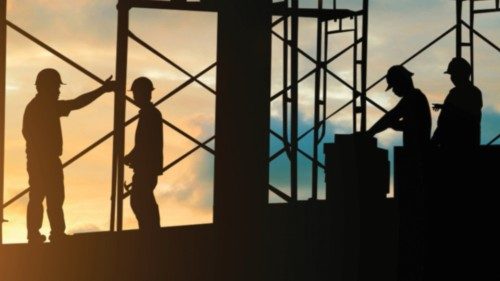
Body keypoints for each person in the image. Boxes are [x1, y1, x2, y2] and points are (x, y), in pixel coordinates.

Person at [23, 68, 115, 244]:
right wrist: (102, 90)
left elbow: (74, 104)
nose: (58, 91)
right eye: (56, 87)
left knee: (48, 196)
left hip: (42, 160)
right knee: (46, 196)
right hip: (43, 160)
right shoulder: (43, 106)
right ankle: (47, 233)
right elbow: (76, 103)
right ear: (45, 87)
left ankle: (43, 233)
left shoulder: (39, 106)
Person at [366, 65, 431, 281]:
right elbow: (405, 121)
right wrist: (397, 126)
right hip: (417, 155)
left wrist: (369, 134)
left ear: (402, 82)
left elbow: (392, 117)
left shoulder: (413, 99)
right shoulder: (416, 99)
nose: (394, 91)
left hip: (417, 157)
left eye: (394, 87)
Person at [124, 77, 163, 232]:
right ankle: (149, 230)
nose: (134, 97)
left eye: (136, 93)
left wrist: (131, 157)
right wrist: (132, 156)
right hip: (146, 167)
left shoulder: (150, 114)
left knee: (141, 200)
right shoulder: (149, 113)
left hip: (147, 167)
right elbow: (143, 144)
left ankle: (150, 231)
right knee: (141, 200)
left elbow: (146, 143)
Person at [431, 57, 483, 148]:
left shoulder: (473, 93)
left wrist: (447, 108)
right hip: (452, 144)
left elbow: (468, 118)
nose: (452, 78)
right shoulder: (455, 93)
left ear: (462, 75)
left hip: (461, 146)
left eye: (454, 74)